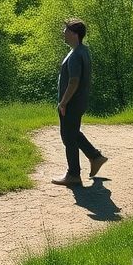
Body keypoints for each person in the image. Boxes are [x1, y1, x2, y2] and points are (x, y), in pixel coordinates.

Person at [51, 17, 108, 186]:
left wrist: (63, 102)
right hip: (79, 101)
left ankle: (74, 174)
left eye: (66, 30)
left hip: (72, 103)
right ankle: (95, 157)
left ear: (75, 34)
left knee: (68, 137)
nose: (63, 33)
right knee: (73, 133)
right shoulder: (83, 50)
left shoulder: (76, 55)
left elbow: (73, 81)